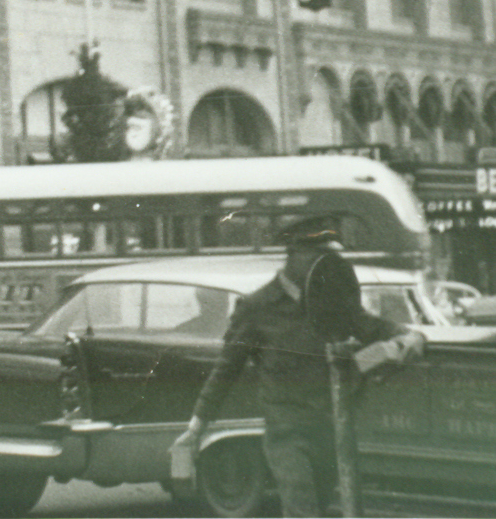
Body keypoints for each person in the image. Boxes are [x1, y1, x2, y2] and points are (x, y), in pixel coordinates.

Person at [170, 214, 425, 517]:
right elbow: (226, 370)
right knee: (302, 509)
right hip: (288, 434)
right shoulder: (257, 307)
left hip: (330, 428)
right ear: (293, 255)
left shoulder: (332, 301)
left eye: (329, 254)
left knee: (319, 506)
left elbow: (371, 325)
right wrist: (197, 426)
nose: (326, 263)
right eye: (318, 254)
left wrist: (410, 337)